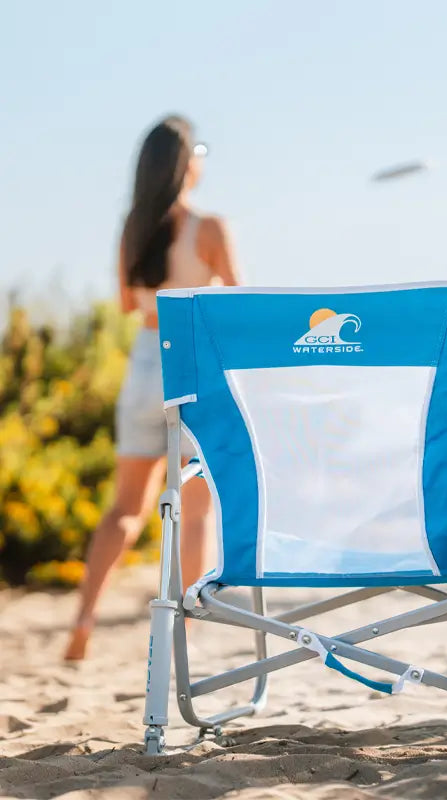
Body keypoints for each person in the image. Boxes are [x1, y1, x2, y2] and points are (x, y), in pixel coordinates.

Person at [64, 115, 240, 660]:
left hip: (143, 365)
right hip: (191, 367)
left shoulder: (132, 228)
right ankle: (186, 628)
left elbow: (125, 305)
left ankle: (84, 618)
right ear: (187, 164)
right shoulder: (208, 227)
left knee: (124, 508)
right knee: (197, 505)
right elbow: (239, 304)